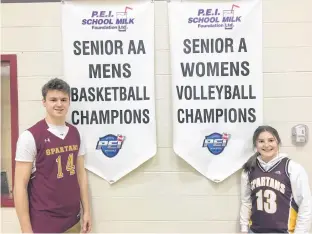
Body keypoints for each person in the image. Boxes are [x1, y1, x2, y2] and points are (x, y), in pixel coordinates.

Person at [13, 78, 92, 233]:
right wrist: (25, 228)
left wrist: (87, 211)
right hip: (44, 222)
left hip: (72, 220)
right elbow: (19, 187)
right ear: (44, 102)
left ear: (69, 102)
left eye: (63, 99)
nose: (59, 104)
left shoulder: (76, 134)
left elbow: (81, 175)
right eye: (53, 99)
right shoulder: (30, 136)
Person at [240, 125, 312, 233]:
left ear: (278, 142)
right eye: (261, 141)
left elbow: (305, 204)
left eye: (271, 140)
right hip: (255, 231)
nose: (266, 145)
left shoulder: (292, 168)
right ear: (256, 144)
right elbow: (246, 202)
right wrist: (244, 228)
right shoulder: (249, 169)